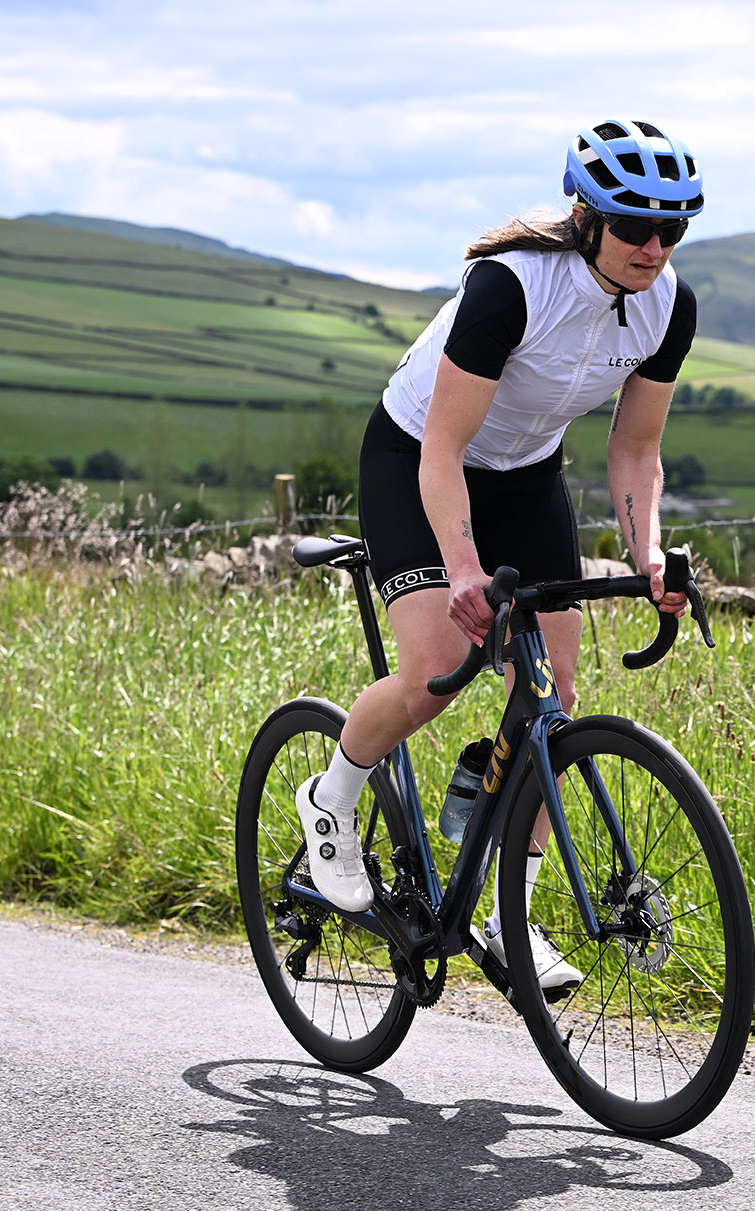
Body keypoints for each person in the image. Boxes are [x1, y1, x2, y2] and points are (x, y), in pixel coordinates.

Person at [294, 118, 703, 988]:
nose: (655, 247)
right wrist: (464, 569)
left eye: (674, 228)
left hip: (524, 476)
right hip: (416, 459)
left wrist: (652, 554)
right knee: (438, 666)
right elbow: (441, 449)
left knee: (552, 691)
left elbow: (634, 452)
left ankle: (508, 918)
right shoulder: (510, 288)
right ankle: (329, 802)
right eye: (635, 227)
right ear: (587, 219)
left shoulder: (671, 306)